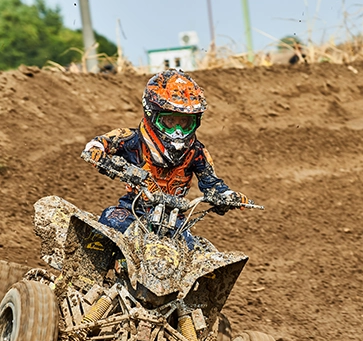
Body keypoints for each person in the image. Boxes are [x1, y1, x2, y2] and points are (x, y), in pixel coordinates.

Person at [81, 69, 250, 246]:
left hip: (175, 219)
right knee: (110, 222)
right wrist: (101, 155)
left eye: (184, 123)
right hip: (134, 210)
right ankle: (88, 264)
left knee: (196, 251)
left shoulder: (197, 152)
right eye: (170, 122)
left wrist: (229, 196)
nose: (178, 131)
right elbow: (99, 144)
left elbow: (213, 183)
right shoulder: (132, 139)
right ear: (152, 114)